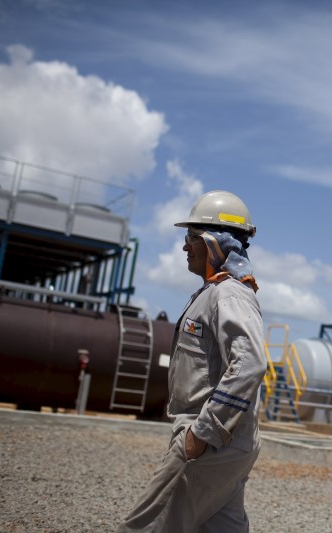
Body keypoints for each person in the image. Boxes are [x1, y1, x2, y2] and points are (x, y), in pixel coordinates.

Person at [119, 190, 266, 532]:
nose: (185, 246)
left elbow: (250, 363)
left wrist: (201, 433)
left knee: (147, 525)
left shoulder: (228, 294)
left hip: (211, 443)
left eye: (192, 237)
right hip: (227, 443)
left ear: (216, 242)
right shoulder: (213, 294)